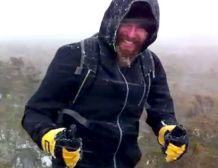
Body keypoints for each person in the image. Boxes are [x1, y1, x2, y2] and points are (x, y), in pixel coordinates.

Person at [21, 0, 188, 167]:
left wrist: (168, 130)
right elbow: (36, 112)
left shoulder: (150, 64)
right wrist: (51, 136)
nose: (131, 34)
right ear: (112, 21)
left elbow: (161, 110)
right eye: (126, 24)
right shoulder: (76, 56)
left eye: (141, 28)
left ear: (150, 33)